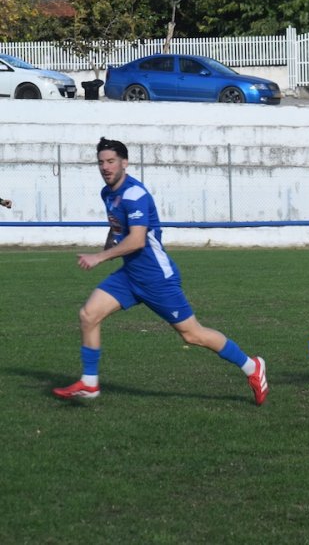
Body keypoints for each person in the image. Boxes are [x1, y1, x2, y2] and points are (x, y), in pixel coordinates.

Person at [53, 138, 269, 404]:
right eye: (101, 162)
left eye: (111, 161)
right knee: (89, 315)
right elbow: (118, 227)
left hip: (156, 278)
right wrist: (109, 244)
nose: (105, 167)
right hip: (130, 275)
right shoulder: (108, 193)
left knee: (192, 334)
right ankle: (89, 383)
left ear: (124, 163)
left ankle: (252, 366)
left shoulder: (135, 195)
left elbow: (137, 240)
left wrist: (100, 257)